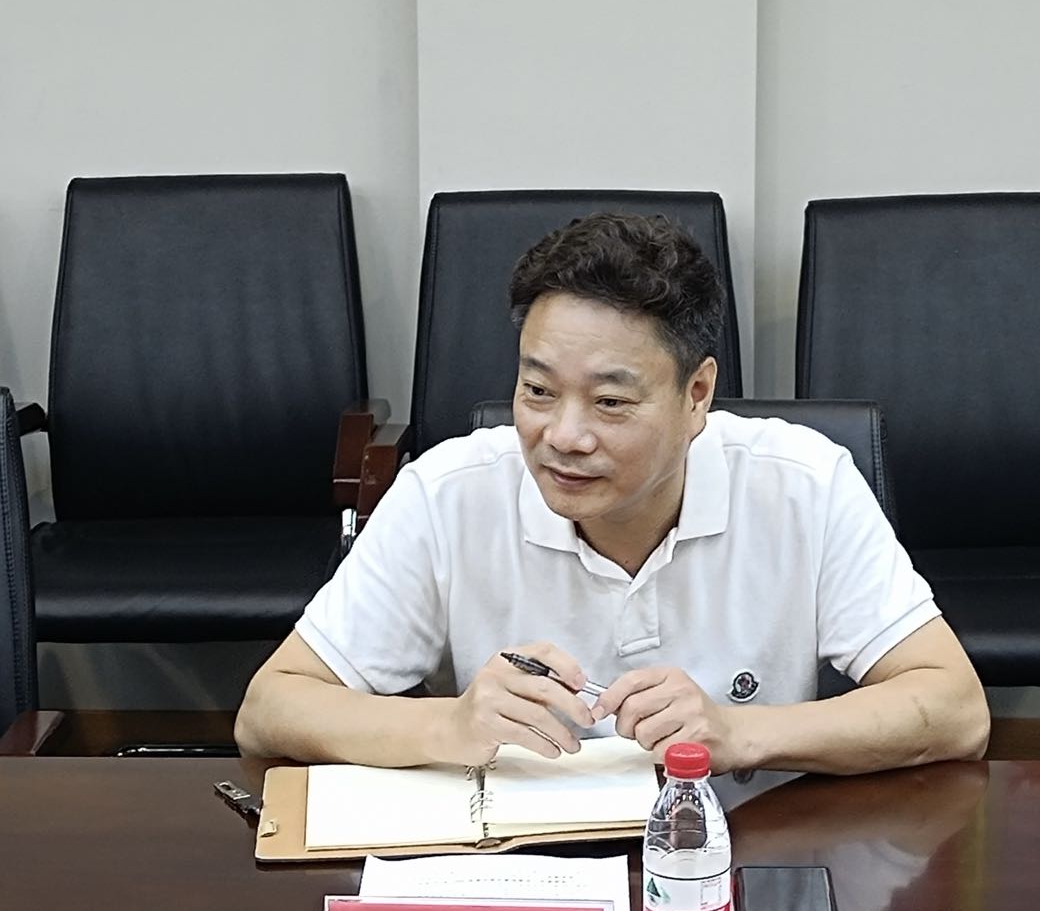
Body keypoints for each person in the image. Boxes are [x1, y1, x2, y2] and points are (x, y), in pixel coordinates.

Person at [235, 213, 990, 773]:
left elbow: (955, 709)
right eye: (537, 390)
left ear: (697, 394)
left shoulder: (803, 484)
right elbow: (269, 709)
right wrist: (450, 725)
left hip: (738, 856)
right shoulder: (446, 494)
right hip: (514, 868)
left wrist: (740, 733)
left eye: (611, 402)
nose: (563, 436)